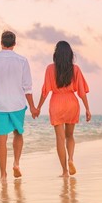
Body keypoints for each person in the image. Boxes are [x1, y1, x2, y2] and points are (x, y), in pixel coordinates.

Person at [0, 31, 38, 181]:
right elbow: (28, 86)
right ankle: (16, 163)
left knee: (1, 139)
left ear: (1, 43)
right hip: (18, 103)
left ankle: (3, 175)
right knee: (18, 133)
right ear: (14, 44)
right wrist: (32, 106)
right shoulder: (22, 61)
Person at [36, 40, 91, 177]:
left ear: (56, 54)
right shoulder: (76, 69)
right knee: (70, 136)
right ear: (70, 54)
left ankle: (65, 171)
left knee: (60, 138)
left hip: (57, 103)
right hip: (72, 103)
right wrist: (87, 109)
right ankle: (71, 159)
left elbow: (45, 91)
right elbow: (82, 92)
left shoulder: (50, 69)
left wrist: (38, 107)